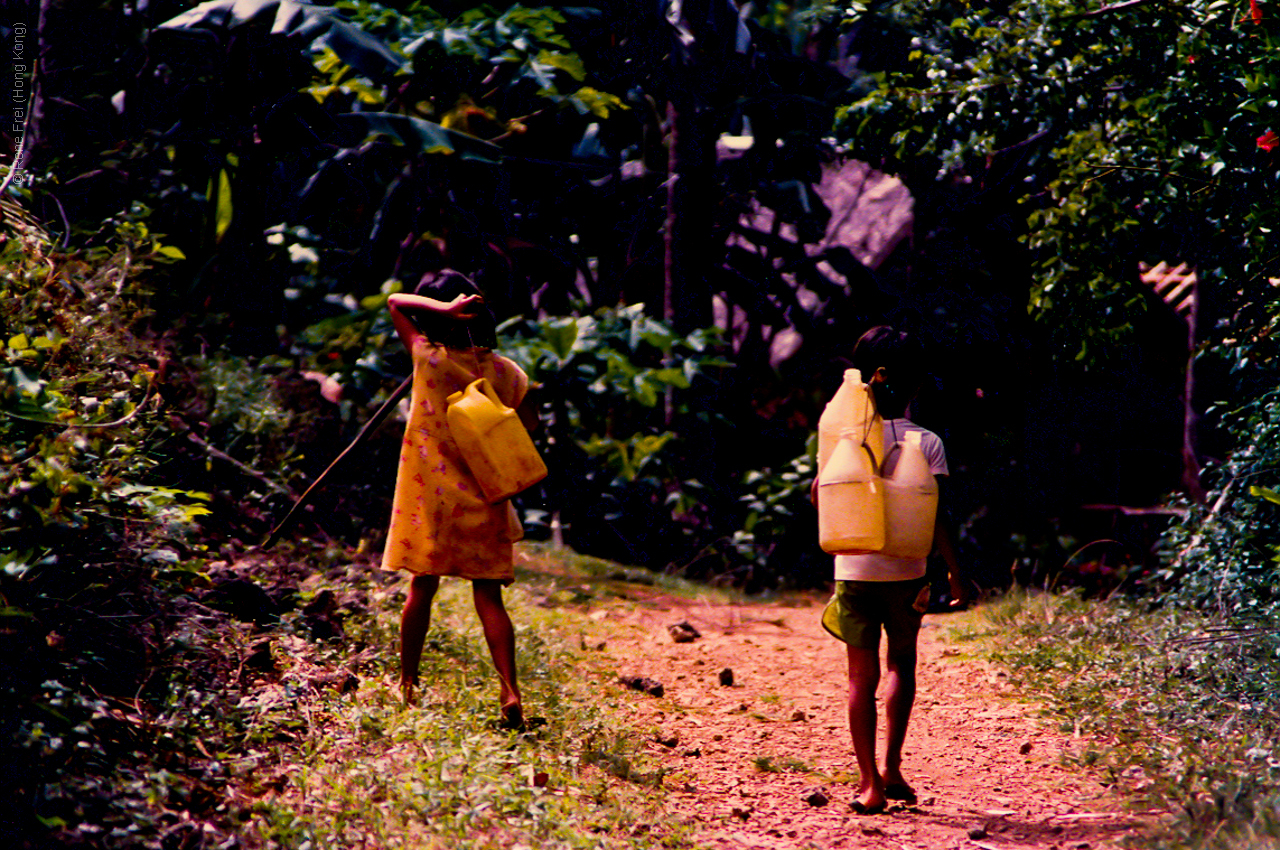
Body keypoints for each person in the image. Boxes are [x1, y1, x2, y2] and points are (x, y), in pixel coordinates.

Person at [813, 325, 968, 814]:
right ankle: (893, 766)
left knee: (860, 678)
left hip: (854, 570)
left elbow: (821, 495)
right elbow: (938, 515)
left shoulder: (845, 437)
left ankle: (868, 785)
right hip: (909, 572)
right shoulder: (929, 442)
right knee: (901, 663)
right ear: (917, 384)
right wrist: (955, 572)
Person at [381, 270, 535, 730]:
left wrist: (441, 310)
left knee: (421, 589)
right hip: (486, 498)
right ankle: (509, 688)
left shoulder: (428, 359)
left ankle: (408, 683)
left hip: (430, 501)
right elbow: (521, 427)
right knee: (489, 597)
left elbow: (394, 301)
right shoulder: (508, 373)